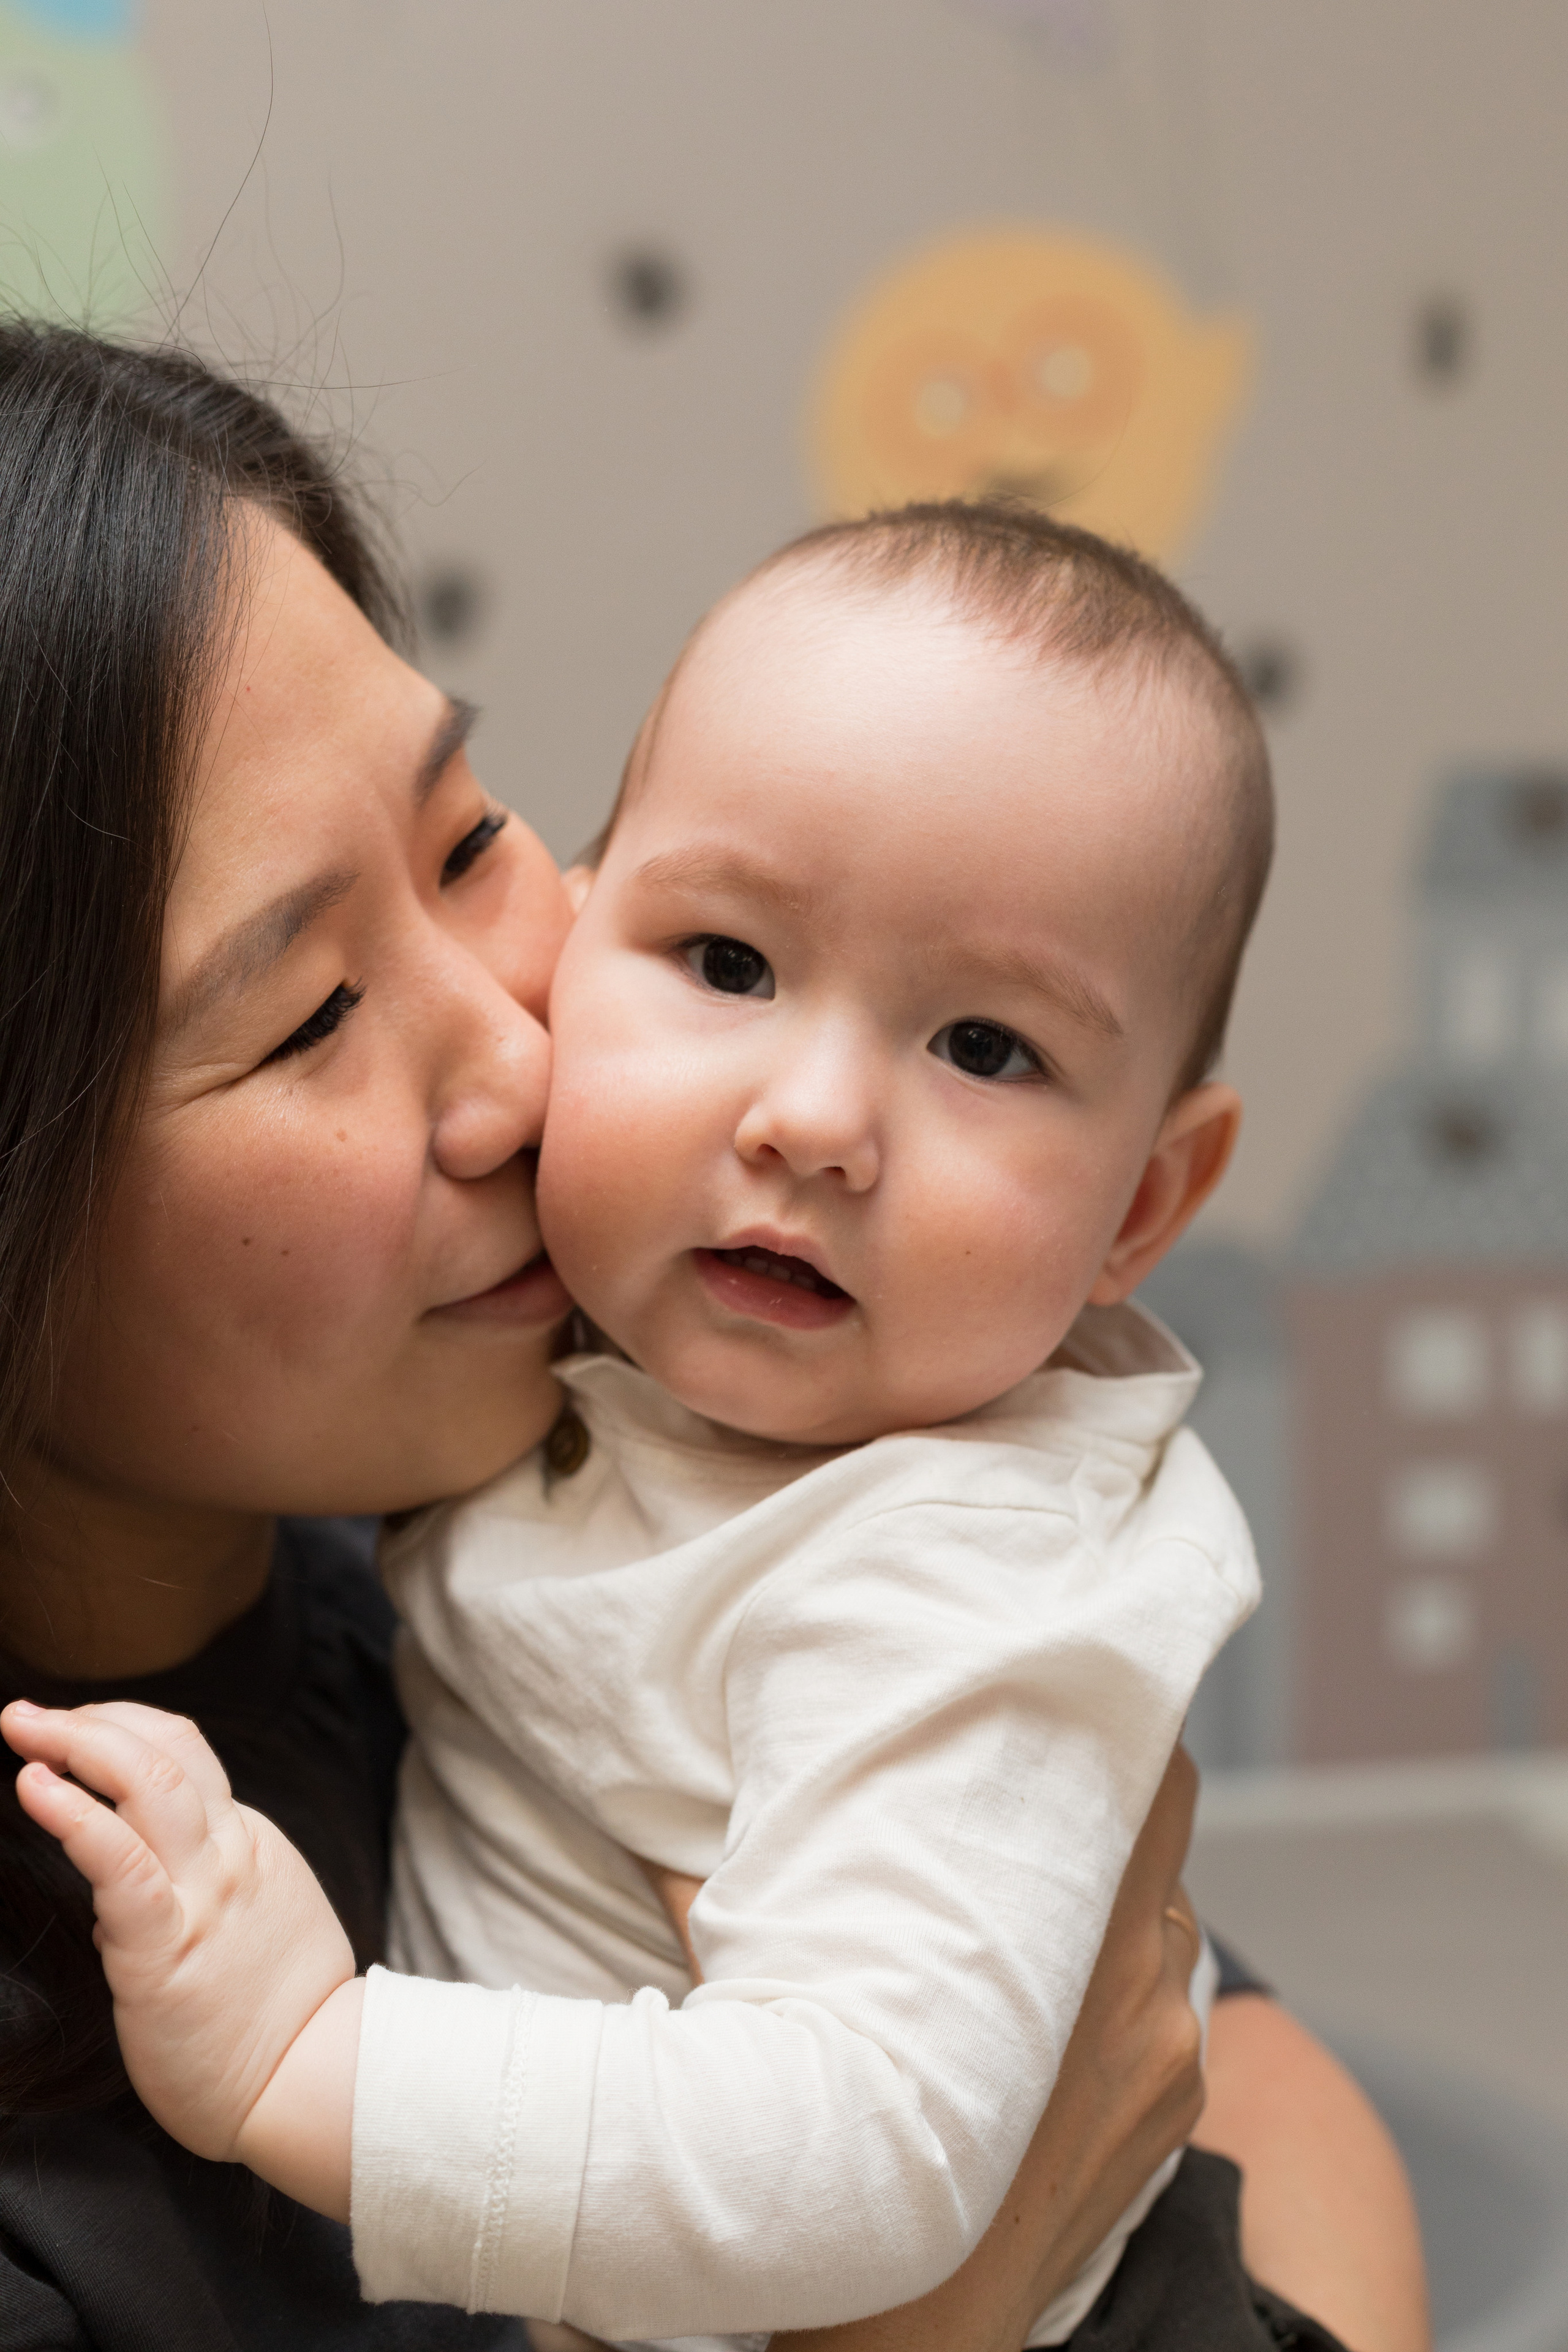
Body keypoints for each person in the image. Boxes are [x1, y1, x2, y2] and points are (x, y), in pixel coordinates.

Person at [0, 324, 1425, 2352]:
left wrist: (320, 2052)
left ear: (1146, 1208)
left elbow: (1216, 2048)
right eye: (309, 1012)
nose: (521, 1055)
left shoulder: (749, 1481)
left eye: (473, 841)